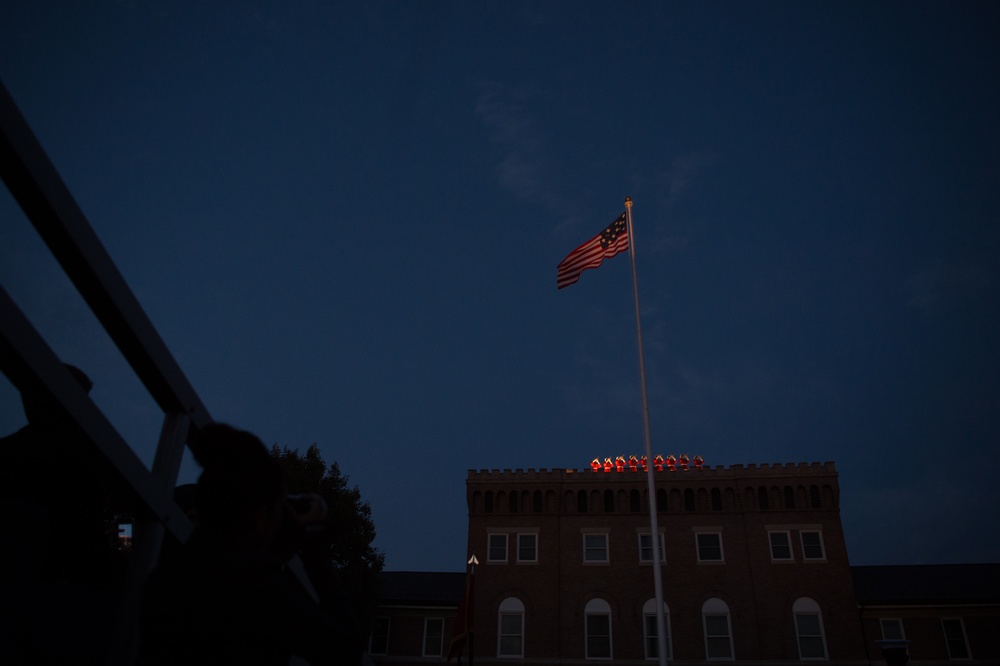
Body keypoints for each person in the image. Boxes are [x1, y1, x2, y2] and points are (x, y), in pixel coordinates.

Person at [138, 423, 361, 666]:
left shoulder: (168, 574)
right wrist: (314, 543)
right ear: (260, 516)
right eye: (278, 509)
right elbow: (343, 649)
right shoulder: (255, 586)